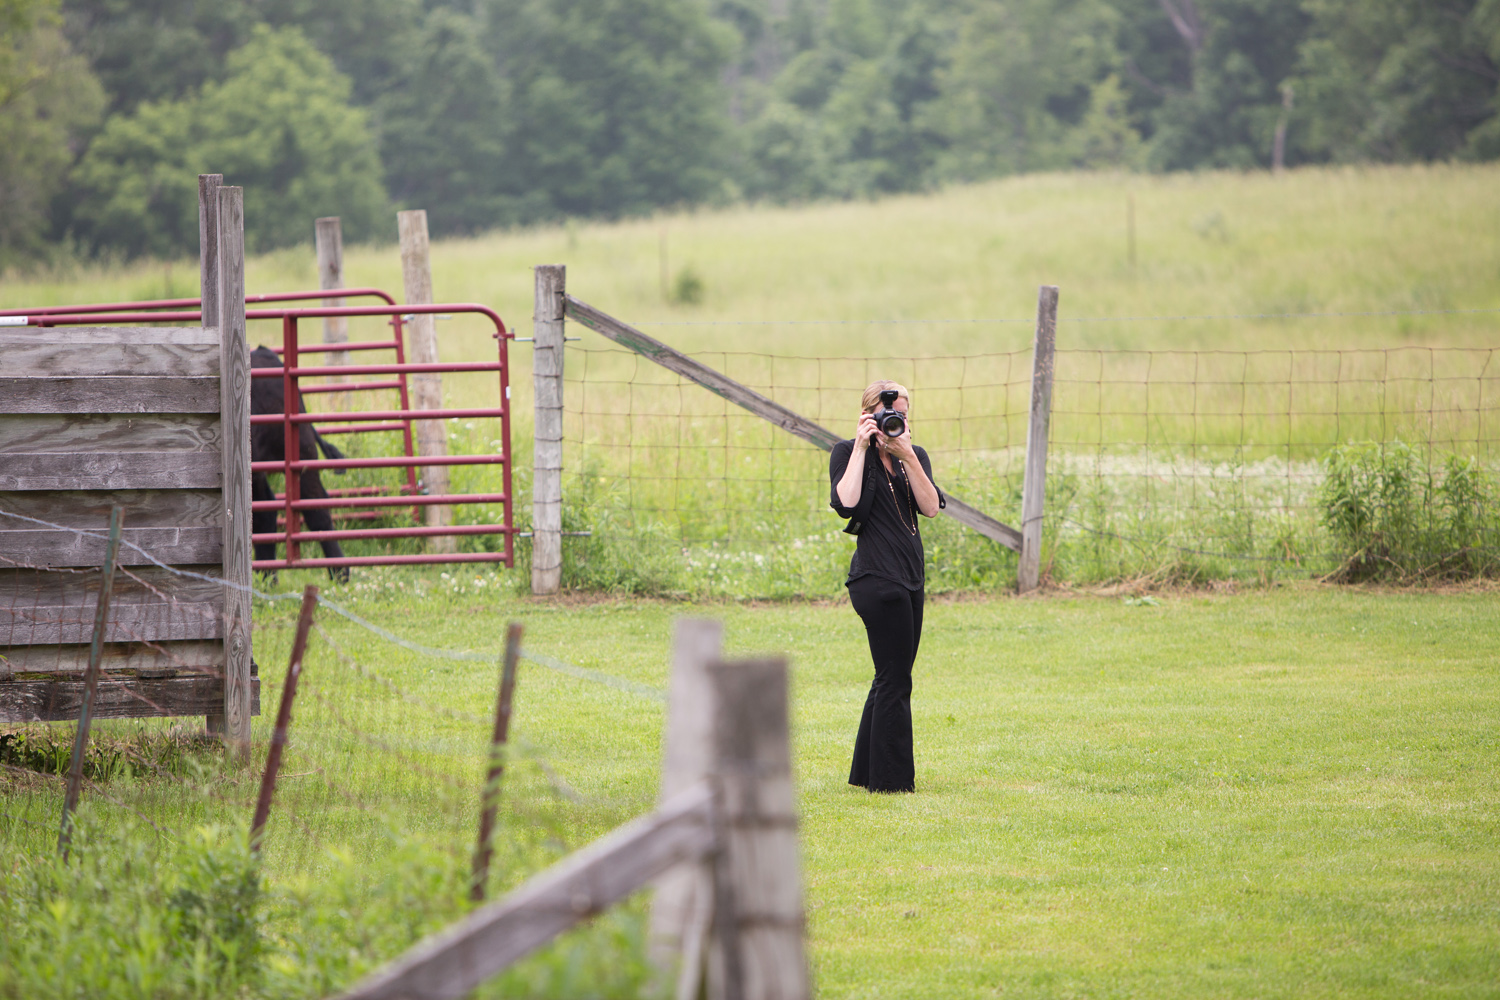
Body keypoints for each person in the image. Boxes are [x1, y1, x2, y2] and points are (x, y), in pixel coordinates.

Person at [829, 380, 944, 793]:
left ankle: (865, 774)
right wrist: (862, 448)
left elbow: (930, 508)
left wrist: (908, 455)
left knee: (889, 676)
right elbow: (846, 502)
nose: (897, 421)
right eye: (887, 414)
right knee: (897, 680)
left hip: (912, 578)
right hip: (876, 579)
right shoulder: (847, 452)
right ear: (867, 415)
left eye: (904, 415)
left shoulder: (915, 455)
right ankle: (891, 782)